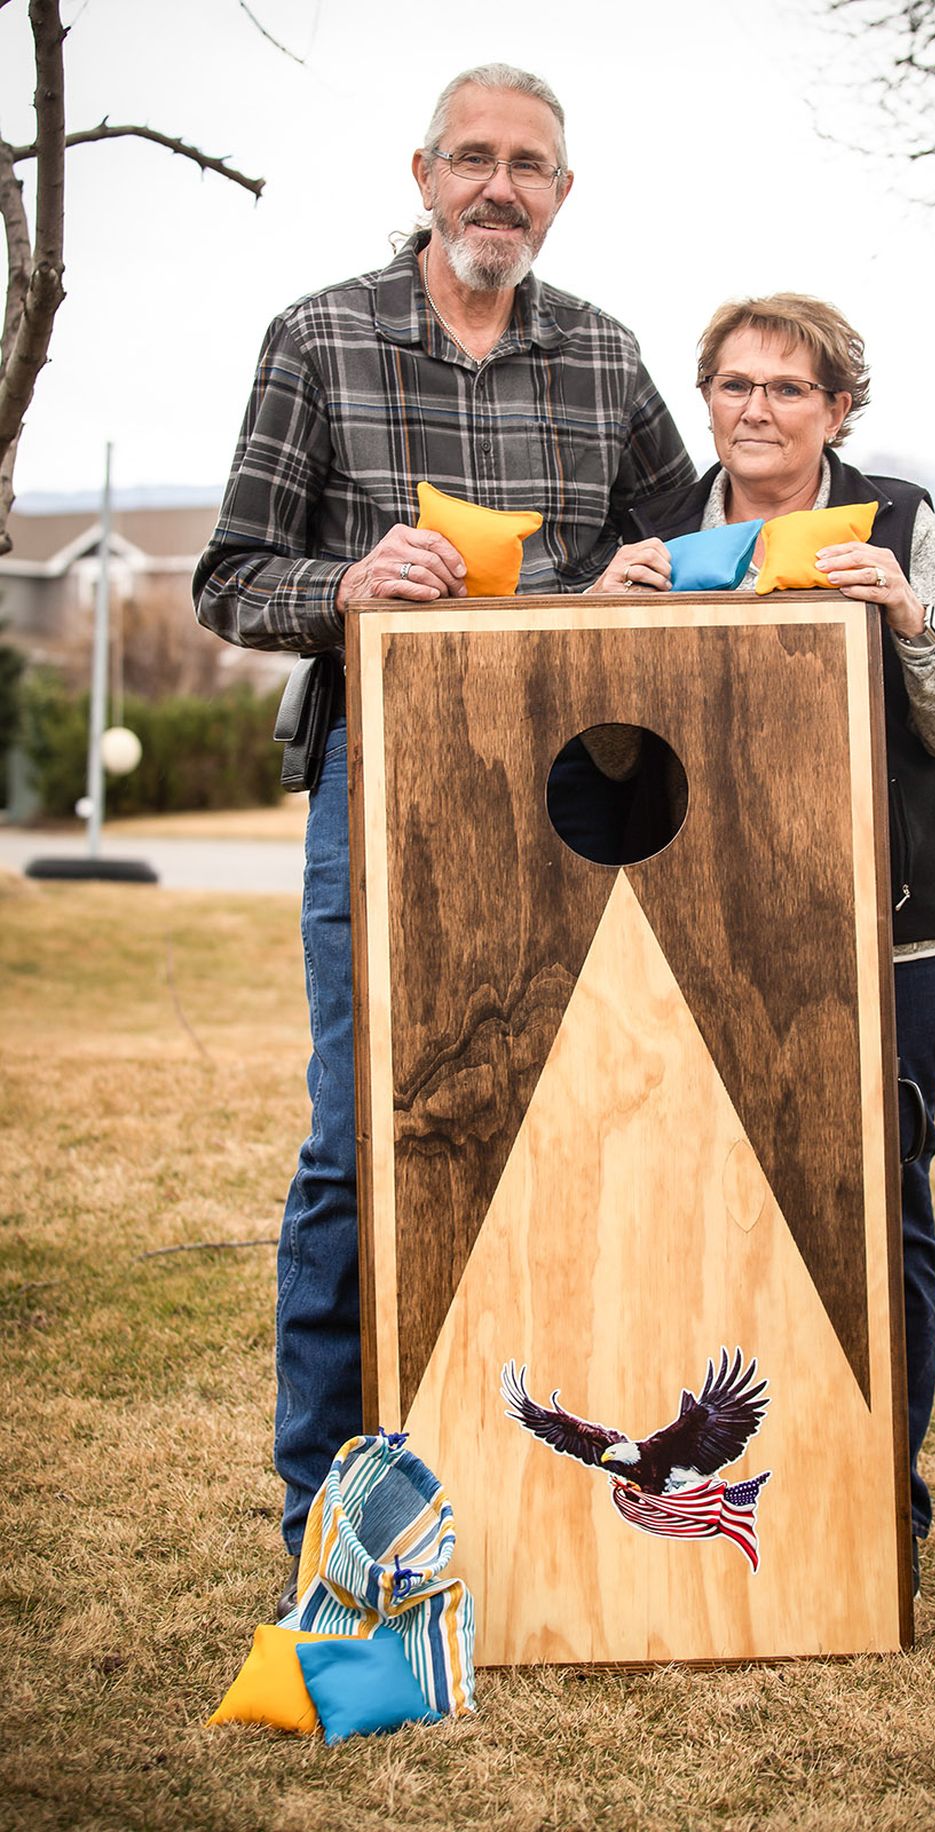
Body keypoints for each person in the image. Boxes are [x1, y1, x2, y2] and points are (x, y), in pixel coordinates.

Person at [193, 63, 694, 1610]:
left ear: (561, 190)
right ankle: (321, 1529)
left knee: (567, 1147)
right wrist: (342, 585)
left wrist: (645, 579)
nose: (498, 187)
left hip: (581, 812)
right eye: (470, 159)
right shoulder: (319, 336)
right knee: (362, 1148)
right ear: (422, 175)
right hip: (384, 799)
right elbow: (229, 579)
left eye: (526, 165)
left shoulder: (608, 358)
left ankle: (534, 1502)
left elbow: (688, 561)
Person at [595, 292, 935, 1595]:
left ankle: (886, 1508)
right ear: (705, 398)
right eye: (735, 385)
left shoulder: (896, 518)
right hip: (710, 949)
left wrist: (910, 619)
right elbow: (614, 763)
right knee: (723, 1224)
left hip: (894, 950)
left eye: (788, 389)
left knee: (882, 1227)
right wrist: (601, 625)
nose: (758, 409)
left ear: (837, 408)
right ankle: (750, 1498)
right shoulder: (659, 525)